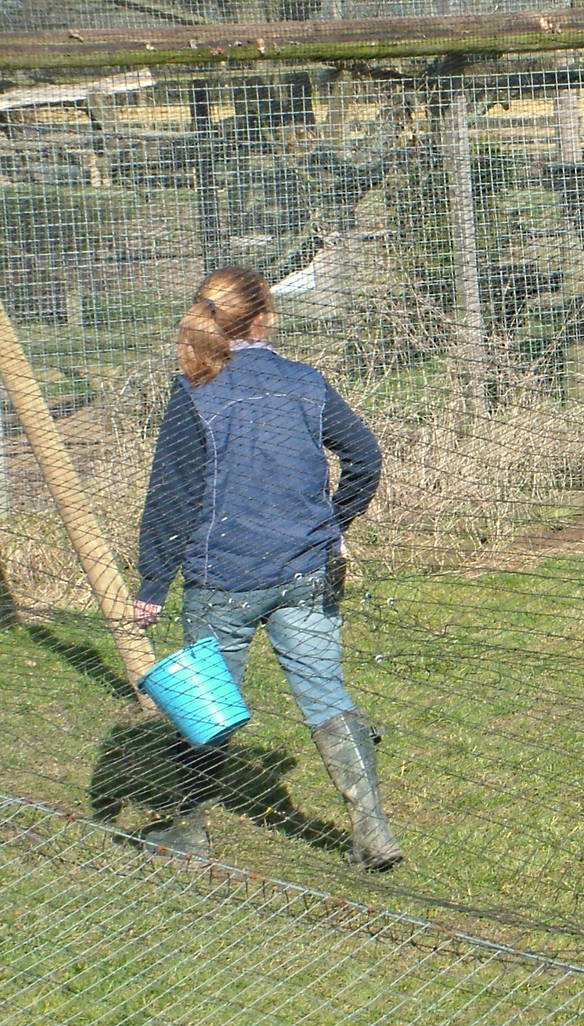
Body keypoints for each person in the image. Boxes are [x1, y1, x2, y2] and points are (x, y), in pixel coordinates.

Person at [132, 265, 402, 871]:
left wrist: (153, 579)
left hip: (220, 579)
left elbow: (171, 494)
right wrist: (333, 527)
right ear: (263, 318)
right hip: (305, 572)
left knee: (205, 702)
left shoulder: (193, 392)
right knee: (326, 695)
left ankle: (191, 832)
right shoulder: (304, 383)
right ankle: (373, 830)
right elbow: (364, 457)